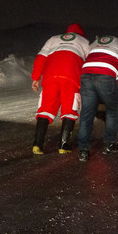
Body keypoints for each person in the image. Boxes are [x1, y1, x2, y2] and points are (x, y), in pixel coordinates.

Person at [77, 35, 118, 162]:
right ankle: (109, 144)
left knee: (86, 114)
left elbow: (86, 57)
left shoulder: (95, 43)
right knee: (112, 111)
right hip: (106, 77)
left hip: (86, 75)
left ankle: (83, 151)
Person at [31, 23, 89, 155]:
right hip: (71, 78)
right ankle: (63, 145)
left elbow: (40, 58)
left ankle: (37, 144)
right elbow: (88, 64)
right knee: (69, 110)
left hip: (50, 77)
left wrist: (35, 78)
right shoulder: (84, 42)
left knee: (45, 110)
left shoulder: (53, 39)